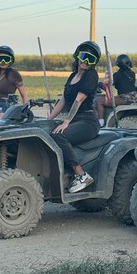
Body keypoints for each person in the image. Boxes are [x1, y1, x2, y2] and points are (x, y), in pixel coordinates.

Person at [48, 40, 101, 193]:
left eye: (90, 59)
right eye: (84, 56)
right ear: (77, 55)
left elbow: (79, 100)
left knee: (59, 135)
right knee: (47, 131)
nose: (85, 61)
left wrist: (66, 122)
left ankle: (81, 175)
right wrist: (48, 120)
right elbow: (63, 101)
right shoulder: (72, 76)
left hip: (87, 121)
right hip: (74, 120)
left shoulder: (91, 75)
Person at [96, 54, 137, 127]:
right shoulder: (132, 74)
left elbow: (107, 88)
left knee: (100, 101)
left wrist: (99, 84)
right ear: (127, 62)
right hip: (134, 98)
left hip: (125, 98)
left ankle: (101, 123)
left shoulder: (117, 75)